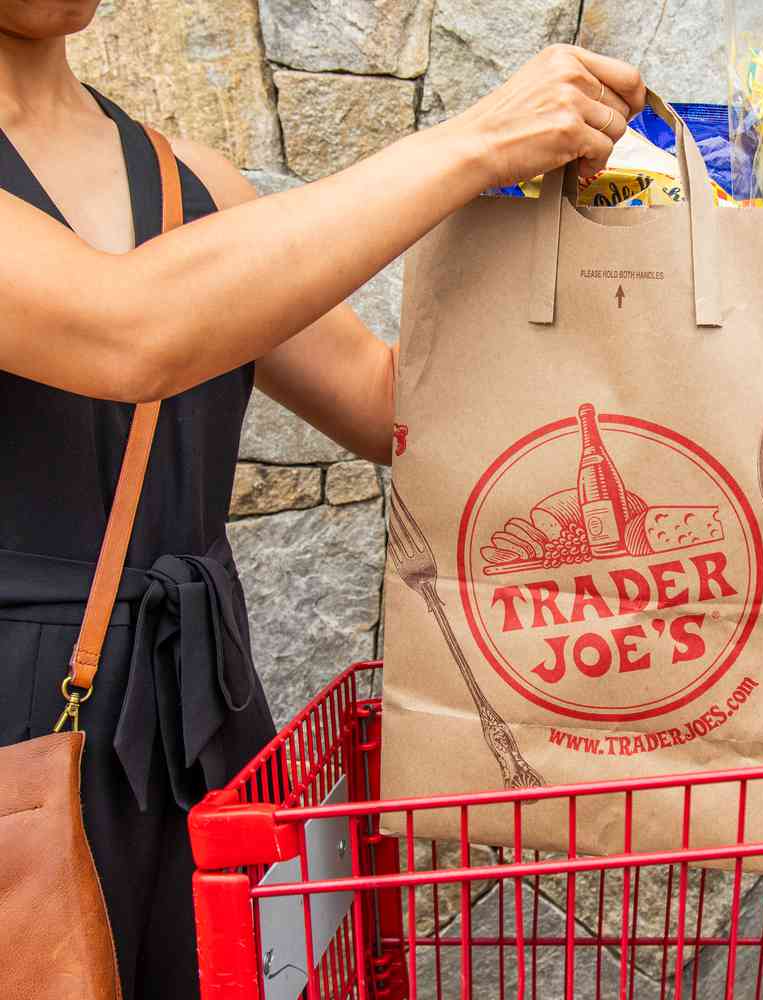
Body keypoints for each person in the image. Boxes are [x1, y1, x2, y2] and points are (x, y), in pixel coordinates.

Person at [0, 2, 646, 997]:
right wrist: (471, 141)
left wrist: (608, 255)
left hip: (203, 735)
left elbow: (388, 403)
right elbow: (127, 329)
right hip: (18, 752)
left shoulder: (189, 182)